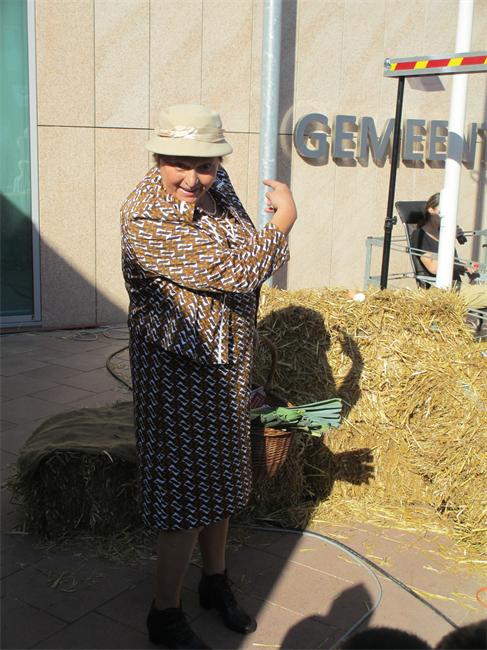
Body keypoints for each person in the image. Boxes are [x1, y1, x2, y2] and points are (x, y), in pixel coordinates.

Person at [120, 104, 296, 649]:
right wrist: (283, 223)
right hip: (177, 370)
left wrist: (260, 240)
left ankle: (214, 582)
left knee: (221, 480)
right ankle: (164, 612)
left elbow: (243, 250)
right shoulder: (146, 217)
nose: (193, 179)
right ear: (158, 158)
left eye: (205, 165)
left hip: (227, 363)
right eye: (179, 164)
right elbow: (238, 269)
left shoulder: (221, 191)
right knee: (182, 494)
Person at [411, 192, 487, 310]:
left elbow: (452, 263)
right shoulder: (419, 235)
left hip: (457, 287)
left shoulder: (443, 233)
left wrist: (465, 267)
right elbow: (433, 268)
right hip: (442, 290)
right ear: (431, 210)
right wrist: (450, 238)